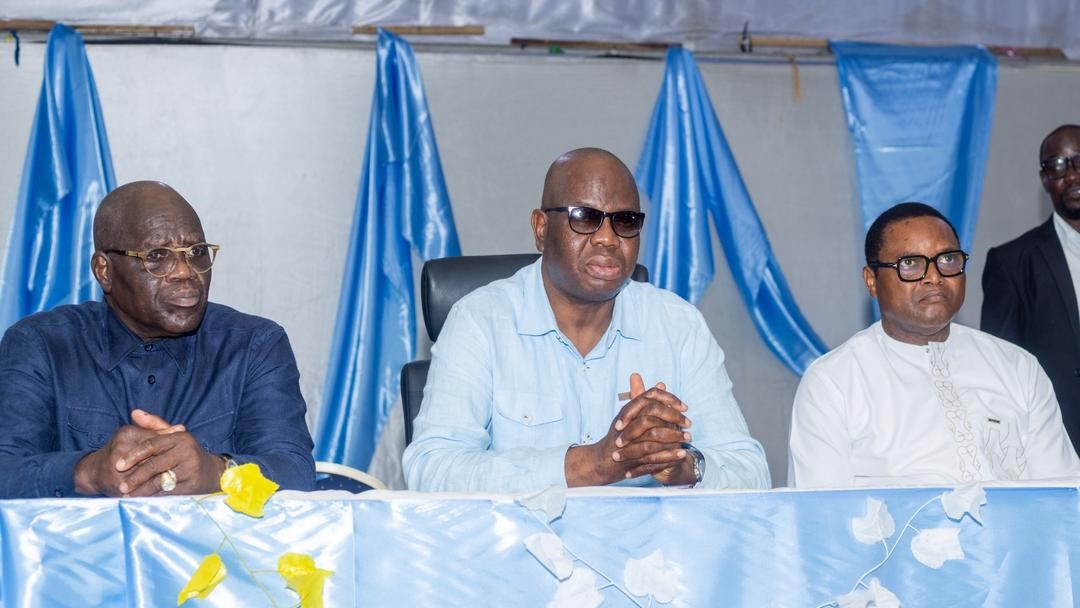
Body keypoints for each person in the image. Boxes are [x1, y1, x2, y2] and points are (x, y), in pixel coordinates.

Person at [403, 148, 769, 492]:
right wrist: (591, 465)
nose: (608, 239)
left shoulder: (677, 325)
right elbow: (431, 469)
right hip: (525, 538)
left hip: (643, 539)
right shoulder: (480, 321)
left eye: (625, 221)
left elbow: (751, 472)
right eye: (585, 217)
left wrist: (681, 467)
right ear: (541, 229)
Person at [0, 181, 315, 498]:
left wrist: (218, 471)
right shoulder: (41, 346)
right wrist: (87, 472)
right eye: (157, 256)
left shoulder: (254, 346)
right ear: (104, 271)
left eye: (197, 252)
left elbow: (294, 470)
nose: (185, 272)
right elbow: (6, 469)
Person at [789, 202, 1080, 488]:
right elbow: (821, 511)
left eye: (948, 259)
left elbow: (1064, 493)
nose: (934, 277)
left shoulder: (1017, 367)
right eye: (910, 264)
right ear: (872, 281)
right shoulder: (834, 382)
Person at [982, 124, 1080, 452]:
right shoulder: (1011, 262)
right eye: (1058, 165)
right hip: (1058, 443)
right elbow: (999, 370)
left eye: (1079, 161)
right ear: (1044, 179)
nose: (1072, 175)